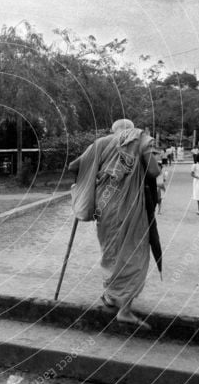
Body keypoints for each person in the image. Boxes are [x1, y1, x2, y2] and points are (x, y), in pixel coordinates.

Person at [68, 119, 160, 328]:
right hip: (130, 206)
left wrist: (85, 177)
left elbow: (74, 166)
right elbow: (154, 172)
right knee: (131, 251)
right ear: (131, 129)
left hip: (104, 205)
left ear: (114, 131)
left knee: (110, 248)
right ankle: (125, 310)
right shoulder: (141, 140)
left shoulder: (100, 144)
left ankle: (110, 295)